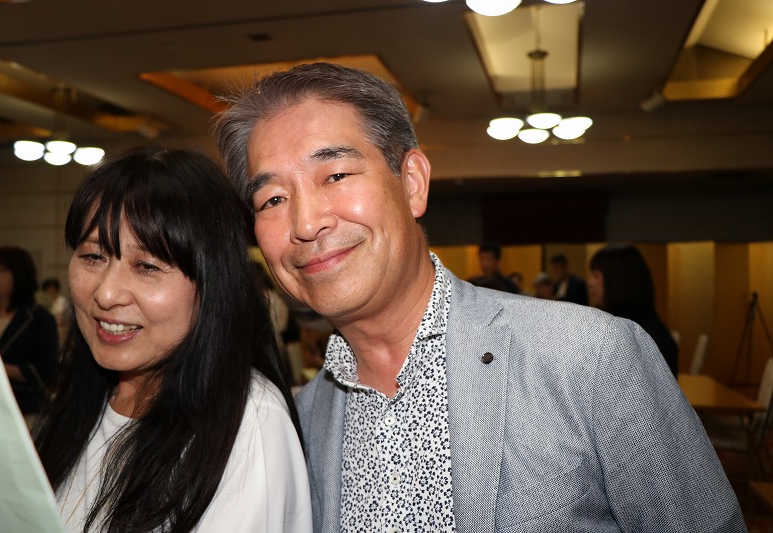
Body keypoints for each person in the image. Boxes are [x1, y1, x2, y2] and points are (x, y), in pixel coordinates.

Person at [215, 62, 743, 532]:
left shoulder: (589, 357)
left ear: (412, 183)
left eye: (335, 174)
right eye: (273, 199)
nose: (306, 223)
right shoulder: (301, 420)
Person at [32, 146, 311, 532]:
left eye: (146, 266)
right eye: (93, 257)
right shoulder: (85, 397)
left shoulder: (248, 426)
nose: (106, 294)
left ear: (212, 283)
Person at [0, 246, 58, 420]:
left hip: (26, 411)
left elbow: (48, 371)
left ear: (20, 276)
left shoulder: (40, 318)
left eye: (2, 270)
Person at [588, 243, 679, 375]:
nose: (589, 282)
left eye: (595, 275)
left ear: (617, 280)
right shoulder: (616, 327)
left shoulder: (646, 337)